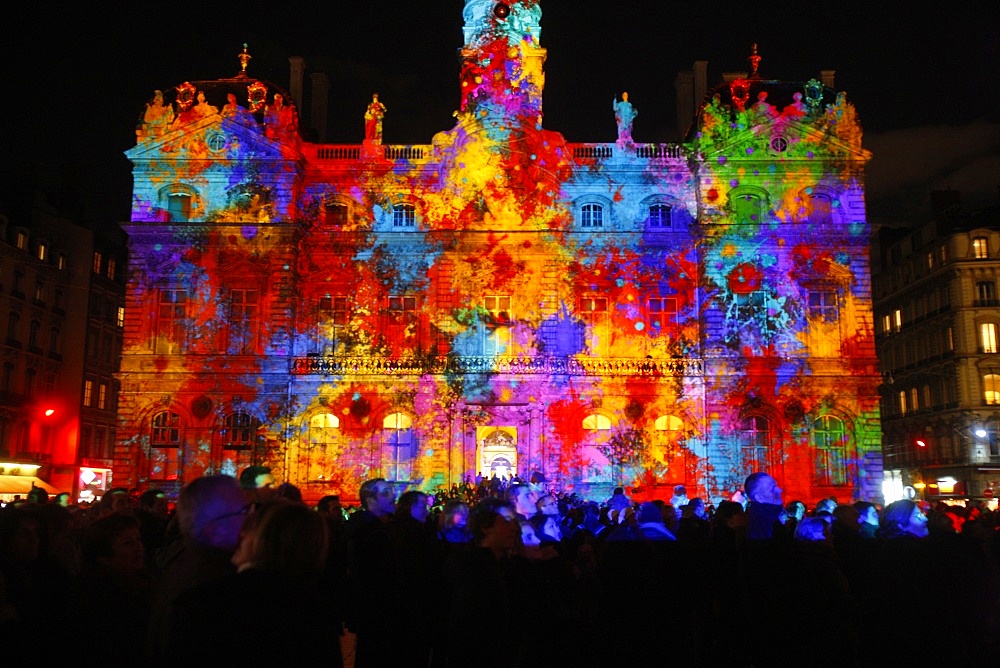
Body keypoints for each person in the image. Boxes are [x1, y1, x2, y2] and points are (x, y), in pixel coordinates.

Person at [164, 500, 338, 665]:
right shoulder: (315, 611)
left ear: (264, 540)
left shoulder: (207, 602)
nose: (240, 535)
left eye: (249, 528)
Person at [743, 471, 785, 540]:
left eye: (776, 486)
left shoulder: (771, 519)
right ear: (759, 498)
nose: (780, 490)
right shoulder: (761, 527)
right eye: (772, 489)